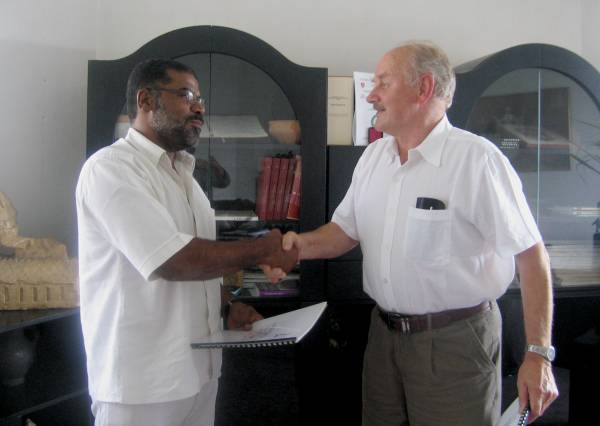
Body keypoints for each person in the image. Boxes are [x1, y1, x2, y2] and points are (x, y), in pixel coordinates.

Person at [268, 42, 558, 425]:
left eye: (383, 83)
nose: (370, 95)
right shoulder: (373, 157)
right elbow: (345, 231)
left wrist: (538, 354)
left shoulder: (477, 161)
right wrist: (297, 246)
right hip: (384, 337)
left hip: (455, 342)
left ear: (424, 88)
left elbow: (531, 255)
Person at [76, 58, 297, 426]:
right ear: (146, 100)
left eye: (200, 99)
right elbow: (173, 261)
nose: (199, 108)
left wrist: (227, 306)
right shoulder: (111, 169)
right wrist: (263, 248)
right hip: (142, 386)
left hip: (198, 374)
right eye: (186, 96)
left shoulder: (185, 177)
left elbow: (199, 268)